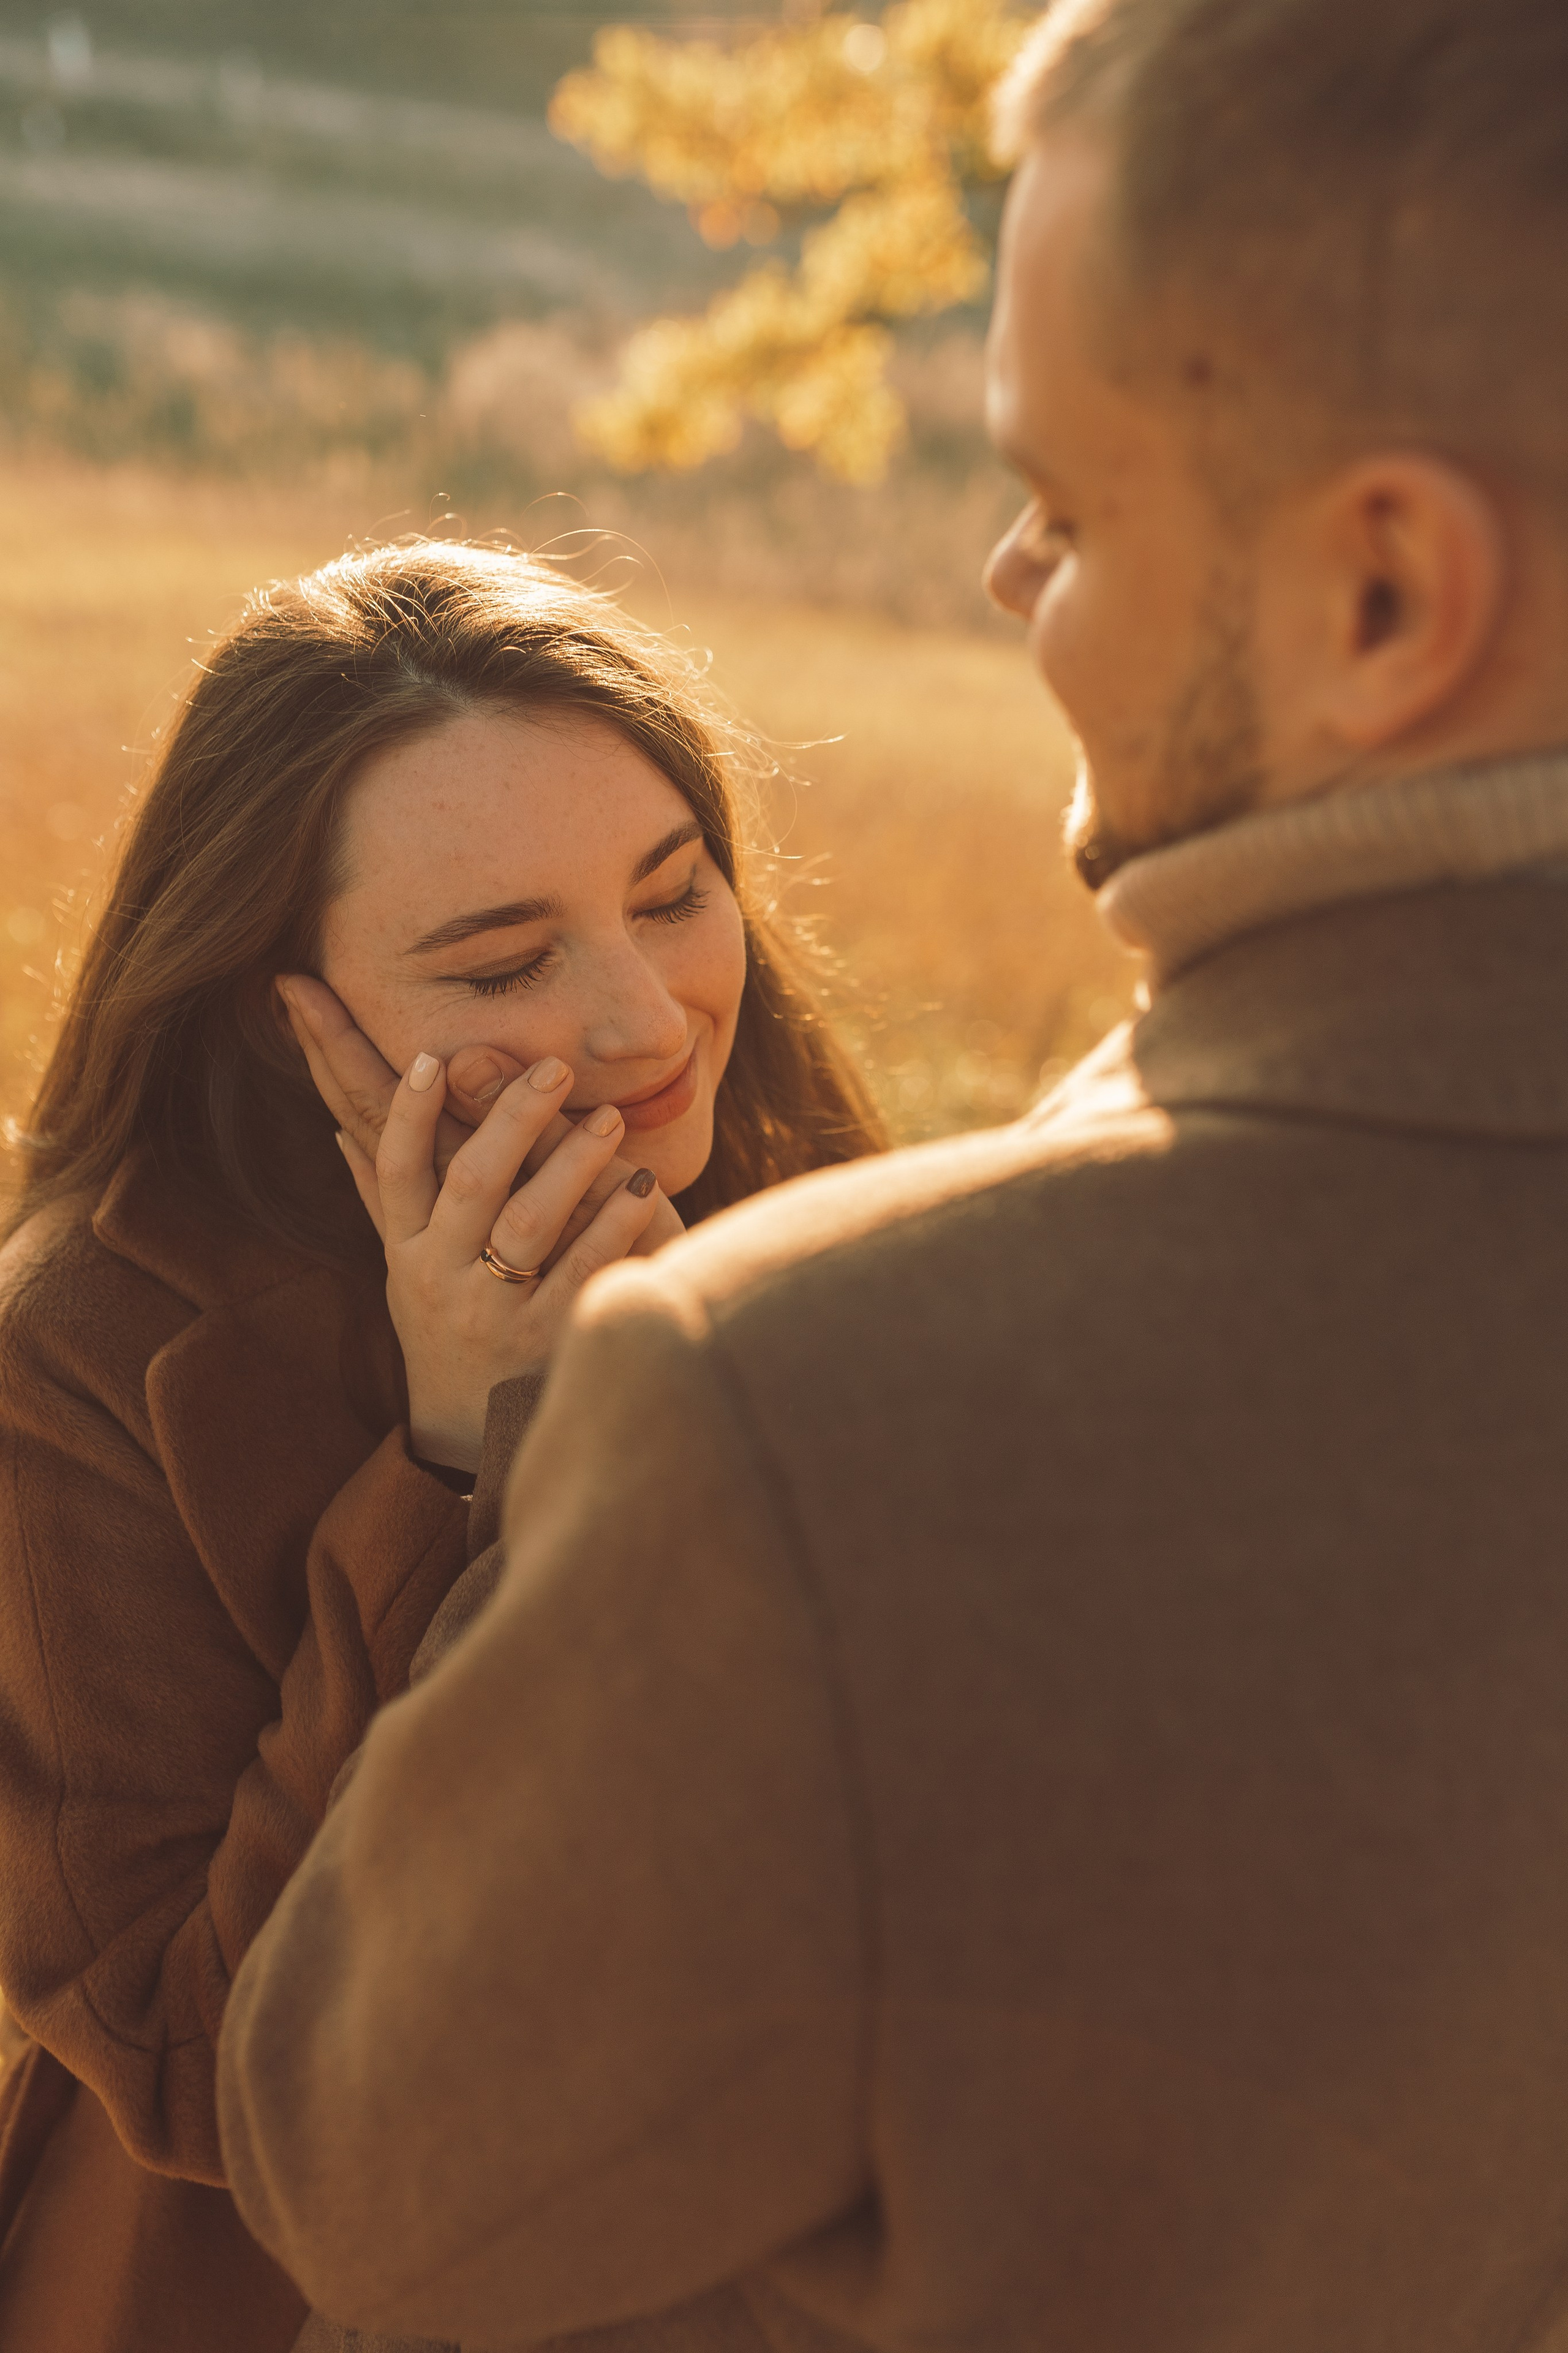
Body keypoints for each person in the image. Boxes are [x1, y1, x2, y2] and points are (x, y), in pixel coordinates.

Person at [217, 1, 1568, 2349]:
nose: (1005, 578)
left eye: (1067, 498)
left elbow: (359, 2182)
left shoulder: (798, 1415)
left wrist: (525, 1452)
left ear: (1382, 596)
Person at [0, 538, 883, 2353]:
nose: (645, 1020)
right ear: (286, 1008)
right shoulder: (79, 1362)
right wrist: (460, 1447)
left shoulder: (812, 1204)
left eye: (673, 891)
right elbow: (198, 2059)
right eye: (500, 964)